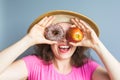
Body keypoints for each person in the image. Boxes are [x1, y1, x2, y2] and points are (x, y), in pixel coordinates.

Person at [0, 10, 120, 80]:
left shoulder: (88, 68)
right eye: (58, 34)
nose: (64, 40)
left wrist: (97, 45)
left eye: (69, 35)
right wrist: (28, 40)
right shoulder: (33, 64)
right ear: (48, 38)